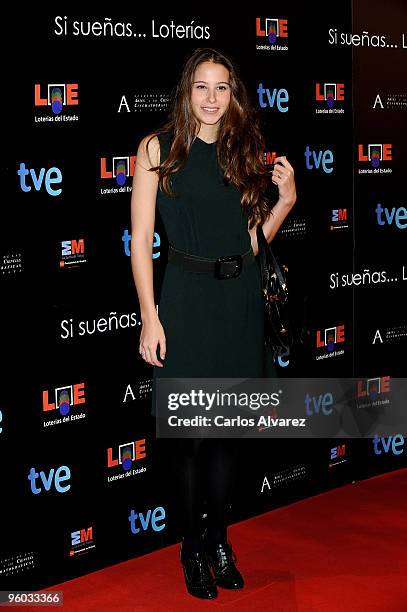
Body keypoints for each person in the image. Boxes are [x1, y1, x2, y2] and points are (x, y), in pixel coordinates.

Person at [130, 47, 297, 600]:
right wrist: (150, 318)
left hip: (239, 304)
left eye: (221, 87)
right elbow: (140, 247)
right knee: (191, 441)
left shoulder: (243, 150)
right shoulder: (157, 150)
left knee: (227, 438)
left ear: (233, 94)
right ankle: (191, 546)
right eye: (201, 86)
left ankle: (219, 541)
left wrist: (286, 203)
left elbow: (251, 247)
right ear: (186, 92)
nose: (210, 98)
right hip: (185, 300)